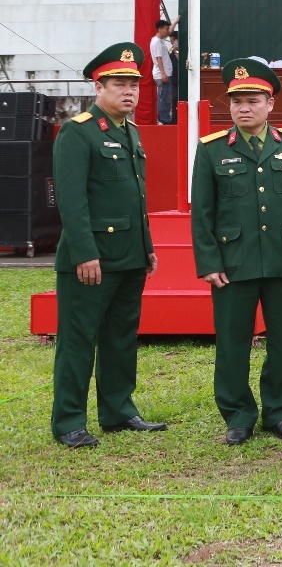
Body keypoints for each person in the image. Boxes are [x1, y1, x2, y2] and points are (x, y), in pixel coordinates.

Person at [191, 58, 282, 446]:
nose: (243, 108)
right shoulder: (212, 149)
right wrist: (208, 262)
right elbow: (203, 213)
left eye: (252, 101)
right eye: (237, 101)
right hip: (233, 263)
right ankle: (238, 416)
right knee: (232, 344)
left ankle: (279, 412)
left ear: (270, 104)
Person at [50, 42, 165, 448]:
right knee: (78, 339)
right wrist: (84, 253)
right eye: (119, 84)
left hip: (129, 255)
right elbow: (72, 200)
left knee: (120, 337)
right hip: (92, 258)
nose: (129, 92)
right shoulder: (78, 131)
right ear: (98, 87)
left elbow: (136, 197)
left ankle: (118, 410)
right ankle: (69, 422)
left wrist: (146, 247)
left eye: (134, 84)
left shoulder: (130, 131)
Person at [150, 20, 175, 125]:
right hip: (162, 74)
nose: (167, 31)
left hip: (165, 73)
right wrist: (163, 73)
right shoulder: (156, 42)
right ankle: (163, 120)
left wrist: (176, 22)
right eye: (166, 28)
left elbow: (170, 31)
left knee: (166, 97)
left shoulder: (160, 40)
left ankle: (164, 119)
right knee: (164, 98)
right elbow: (158, 58)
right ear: (160, 29)